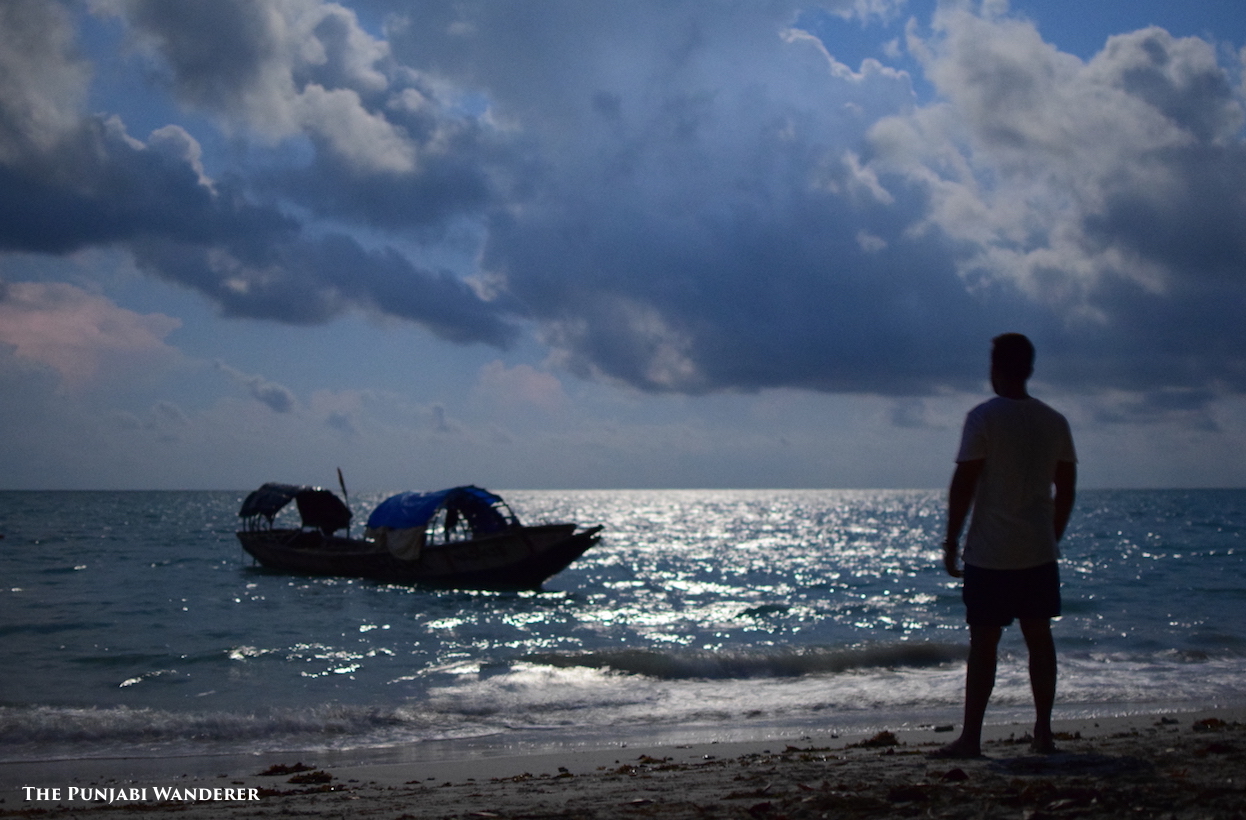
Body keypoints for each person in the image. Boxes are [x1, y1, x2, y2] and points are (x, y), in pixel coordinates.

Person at [934, 333, 1077, 759]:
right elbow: (1065, 488)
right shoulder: (1055, 421)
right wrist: (1054, 534)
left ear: (996, 368)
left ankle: (972, 737)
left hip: (991, 551)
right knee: (1039, 637)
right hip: (1037, 548)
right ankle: (1043, 733)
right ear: (1029, 369)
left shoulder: (983, 417)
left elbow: (964, 484)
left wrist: (951, 539)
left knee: (984, 643)